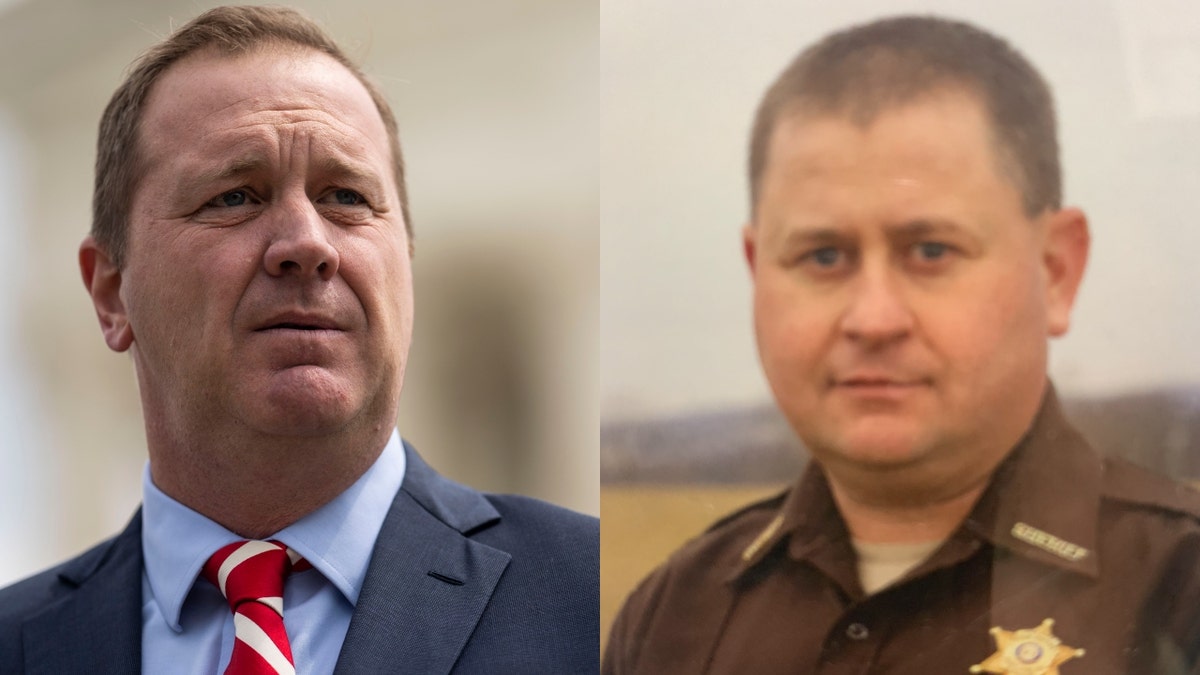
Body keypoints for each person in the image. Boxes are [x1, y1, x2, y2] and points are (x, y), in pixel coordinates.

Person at [0, 6, 597, 674]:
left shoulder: (605, 607)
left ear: (406, 263)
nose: (308, 244)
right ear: (111, 291)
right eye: (235, 197)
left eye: (345, 195)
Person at [604, 15, 1200, 674]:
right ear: (757, 272)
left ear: (1056, 269)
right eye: (823, 254)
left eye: (930, 250)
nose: (874, 318)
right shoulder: (674, 619)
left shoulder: (1179, 593)